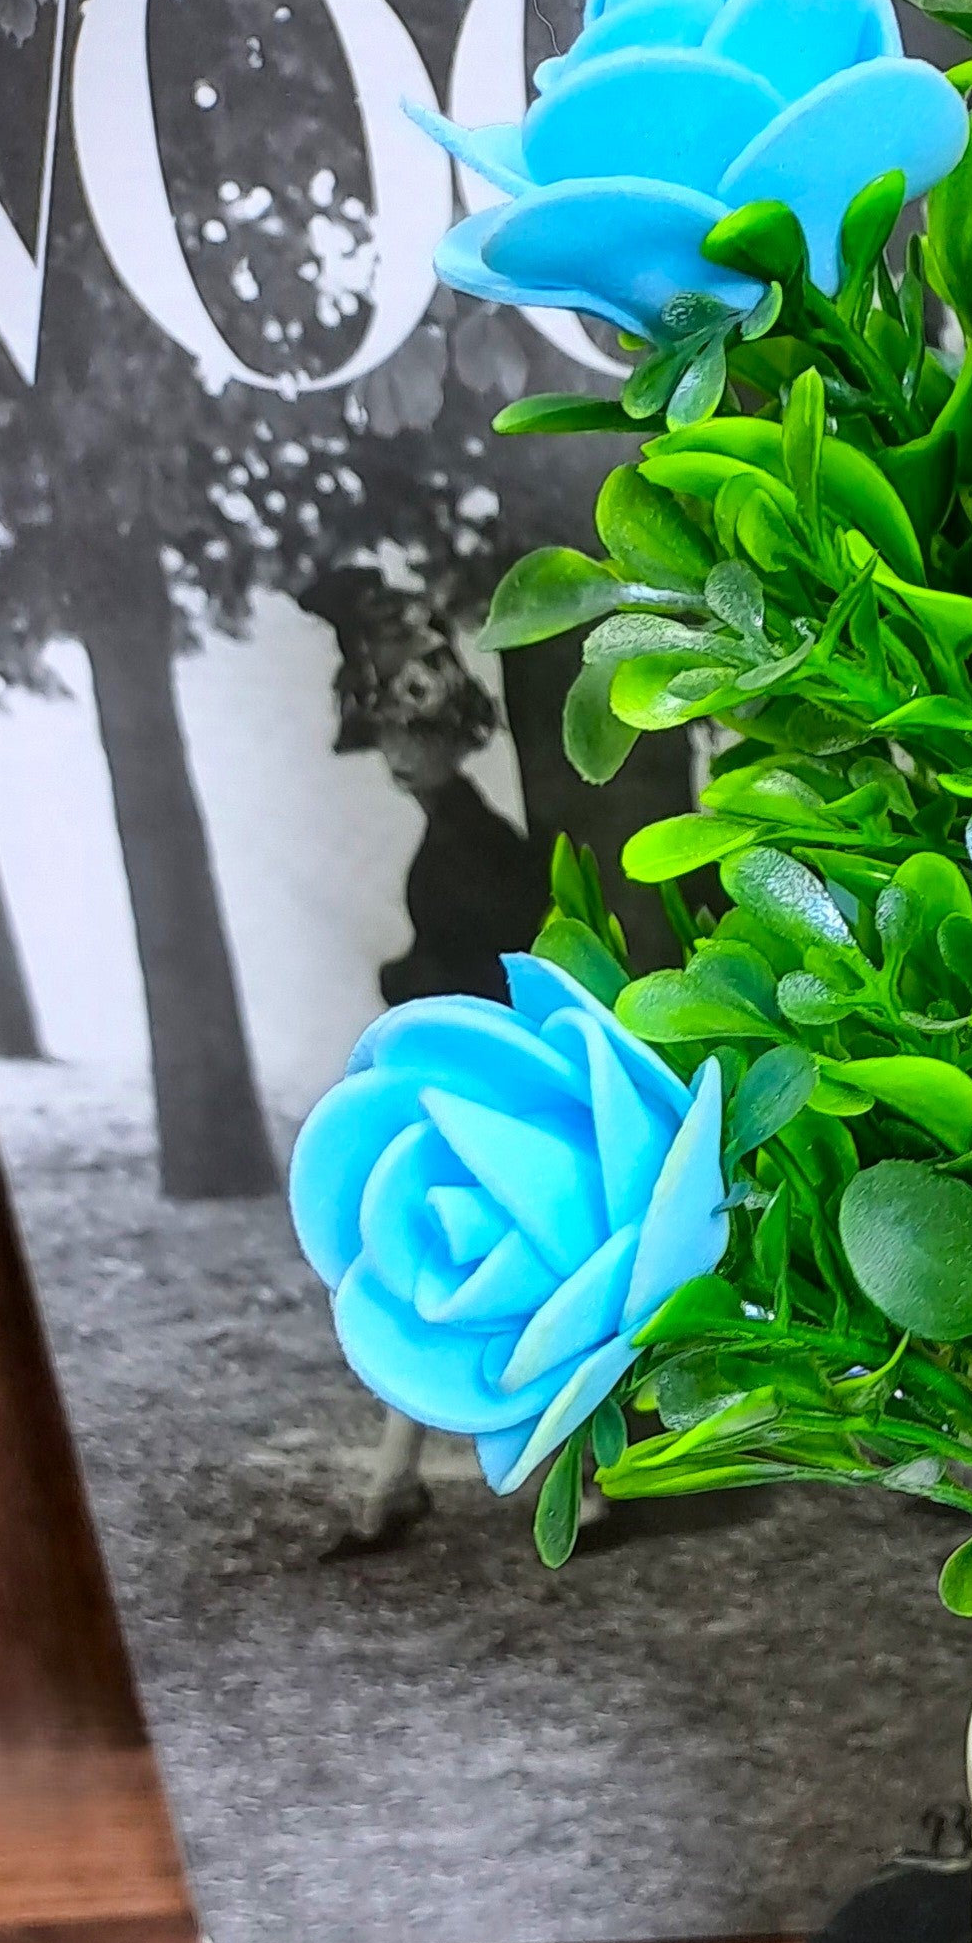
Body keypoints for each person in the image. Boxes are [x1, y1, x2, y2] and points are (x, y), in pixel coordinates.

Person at [314, 596, 550, 1549]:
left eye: (414, 734)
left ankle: (398, 1485)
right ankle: (394, 1483)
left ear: (454, 738)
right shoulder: (462, 839)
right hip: (472, 1089)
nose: (398, 755)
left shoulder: (470, 849)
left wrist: (403, 978)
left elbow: (483, 970)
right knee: (435, 1270)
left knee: (444, 1270)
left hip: (481, 1091)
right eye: (388, 737)